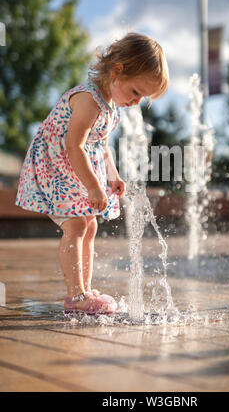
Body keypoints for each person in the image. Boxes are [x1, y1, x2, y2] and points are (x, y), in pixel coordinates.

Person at [15, 32, 169, 314]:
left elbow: (102, 146)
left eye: (142, 97)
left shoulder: (111, 107)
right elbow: (74, 146)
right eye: (135, 91)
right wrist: (93, 188)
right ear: (117, 70)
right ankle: (76, 297)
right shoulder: (88, 99)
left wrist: (112, 175)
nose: (136, 101)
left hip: (76, 168)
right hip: (58, 167)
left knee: (90, 224)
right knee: (75, 225)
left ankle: (84, 288)